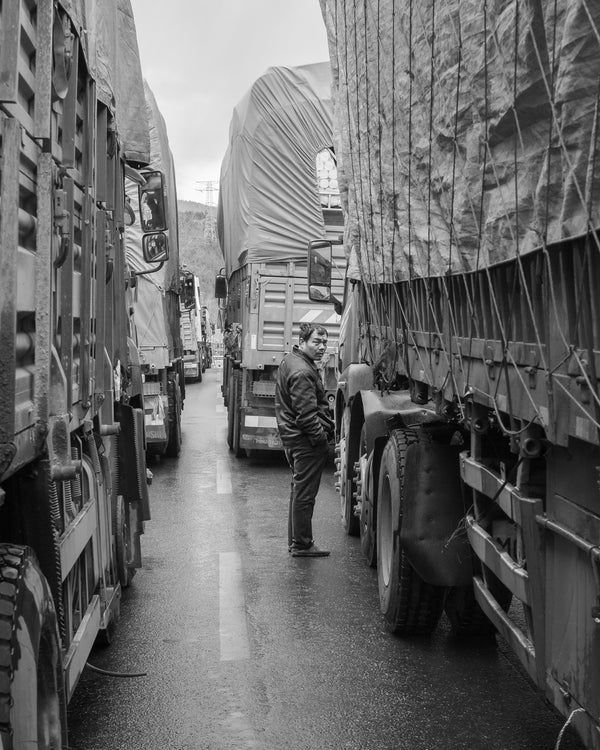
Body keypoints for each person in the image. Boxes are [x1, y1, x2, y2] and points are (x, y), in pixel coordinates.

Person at [275, 323, 335, 557]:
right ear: (303, 342)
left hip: (294, 438)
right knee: (305, 495)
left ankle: (297, 542)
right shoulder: (302, 372)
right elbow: (307, 416)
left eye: (324, 343)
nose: (321, 347)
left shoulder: (291, 360)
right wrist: (321, 441)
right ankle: (301, 544)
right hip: (304, 442)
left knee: (298, 491)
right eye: (316, 342)